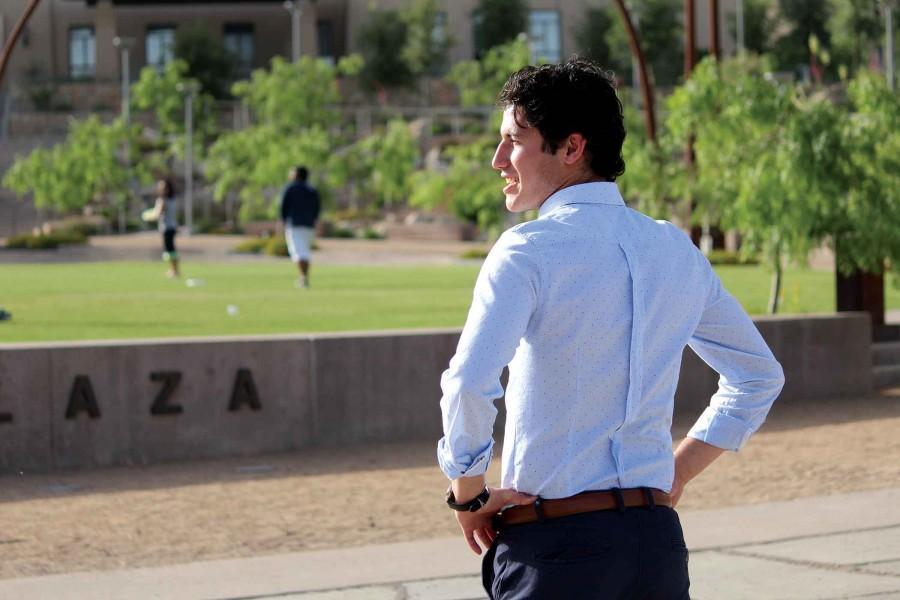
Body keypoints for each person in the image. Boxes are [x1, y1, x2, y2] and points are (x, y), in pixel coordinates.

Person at [437, 59, 785, 600]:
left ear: (572, 148)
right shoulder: (673, 249)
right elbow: (758, 376)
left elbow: (468, 385)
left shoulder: (527, 250)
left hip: (554, 551)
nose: (497, 159)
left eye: (514, 140)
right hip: (655, 550)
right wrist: (675, 475)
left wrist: (468, 495)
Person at [280, 166, 320, 288]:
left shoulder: (290, 188)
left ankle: (303, 277)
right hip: (308, 225)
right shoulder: (312, 190)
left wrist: (284, 220)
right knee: (304, 251)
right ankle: (304, 277)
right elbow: (317, 208)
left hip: (294, 224)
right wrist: (313, 219)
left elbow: (283, 206)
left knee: (298, 252)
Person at [145, 178, 180, 278]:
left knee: (170, 250)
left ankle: (174, 271)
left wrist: (147, 216)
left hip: (167, 228)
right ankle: (174, 270)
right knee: (171, 249)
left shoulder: (162, 200)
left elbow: (158, 213)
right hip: (172, 227)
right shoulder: (172, 199)